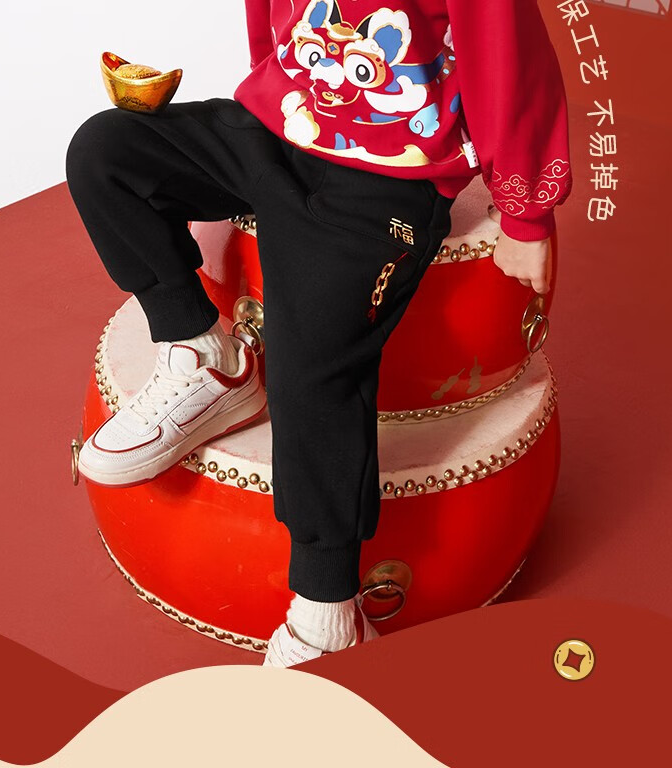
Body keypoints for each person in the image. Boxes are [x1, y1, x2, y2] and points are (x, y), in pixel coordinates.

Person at [65, 0, 572, 667]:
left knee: (314, 363)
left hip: (389, 182)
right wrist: (271, 92)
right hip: (280, 131)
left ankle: (327, 612)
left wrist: (526, 211)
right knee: (105, 152)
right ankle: (207, 357)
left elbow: (508, 56)